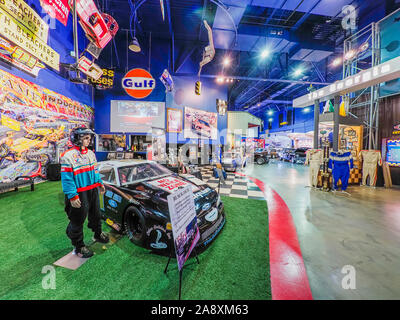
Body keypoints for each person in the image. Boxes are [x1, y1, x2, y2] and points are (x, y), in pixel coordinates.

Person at [61, 127, 109, 258]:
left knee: (96, 214)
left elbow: (95, 171)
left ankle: (97, 233)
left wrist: (99, 183)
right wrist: (72, 195)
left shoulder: (90, 154)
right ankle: (79, 245)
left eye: (89, 138)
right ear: (77, 139)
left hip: (92, 189)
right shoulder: (68, 156)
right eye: (86, 138)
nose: (89, 141)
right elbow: (67, 178)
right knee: (78, 218)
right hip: (79, 192)